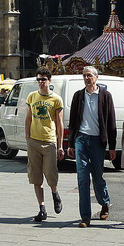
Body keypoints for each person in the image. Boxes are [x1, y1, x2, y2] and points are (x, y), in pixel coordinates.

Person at [67, 66, 115, 228]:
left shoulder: (105, 96)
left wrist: (112, 146)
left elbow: (111, 123)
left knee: (97, 176)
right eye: (84, 76)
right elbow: (73, 121)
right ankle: (85, 217)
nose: (87, 78)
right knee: (82, 179)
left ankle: (104, 202)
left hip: (97, 141)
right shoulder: (78, 96)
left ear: (96, 77)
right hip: (81, 139)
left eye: (89, 75)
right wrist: (71, 143)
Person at [24, 69, 64, 222]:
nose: (41, 82)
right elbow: (28, 118)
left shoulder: (56, 99)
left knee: (51, 174)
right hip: (34, 141)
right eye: (39, 79)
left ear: (49, 81)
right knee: (36, 178)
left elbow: (59, 123)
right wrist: (27, 136)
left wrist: (60, 145)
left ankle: (55, 193)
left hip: (49, 141)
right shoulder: (32, 96)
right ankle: (42, 208)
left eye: (43, 80)